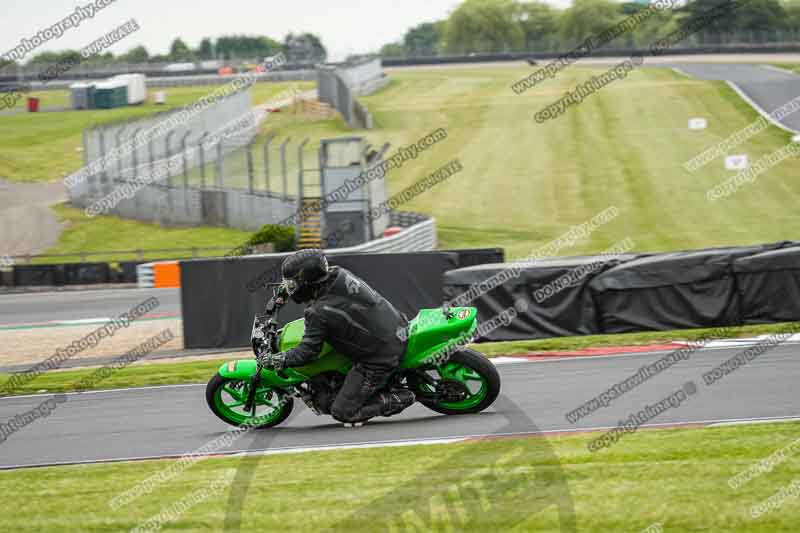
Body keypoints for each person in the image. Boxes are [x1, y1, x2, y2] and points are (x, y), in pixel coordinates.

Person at [258, 249, 416, 423]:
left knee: (343, 412)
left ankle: (402, 397)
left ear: (307, 282)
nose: (290, 287)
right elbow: (308, 285)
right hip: (395, 324)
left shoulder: (318, 313)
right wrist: (284, 293)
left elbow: (307, 352)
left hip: (381, 355)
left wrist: (279, 360)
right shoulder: (338, 274)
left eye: (292, 284)